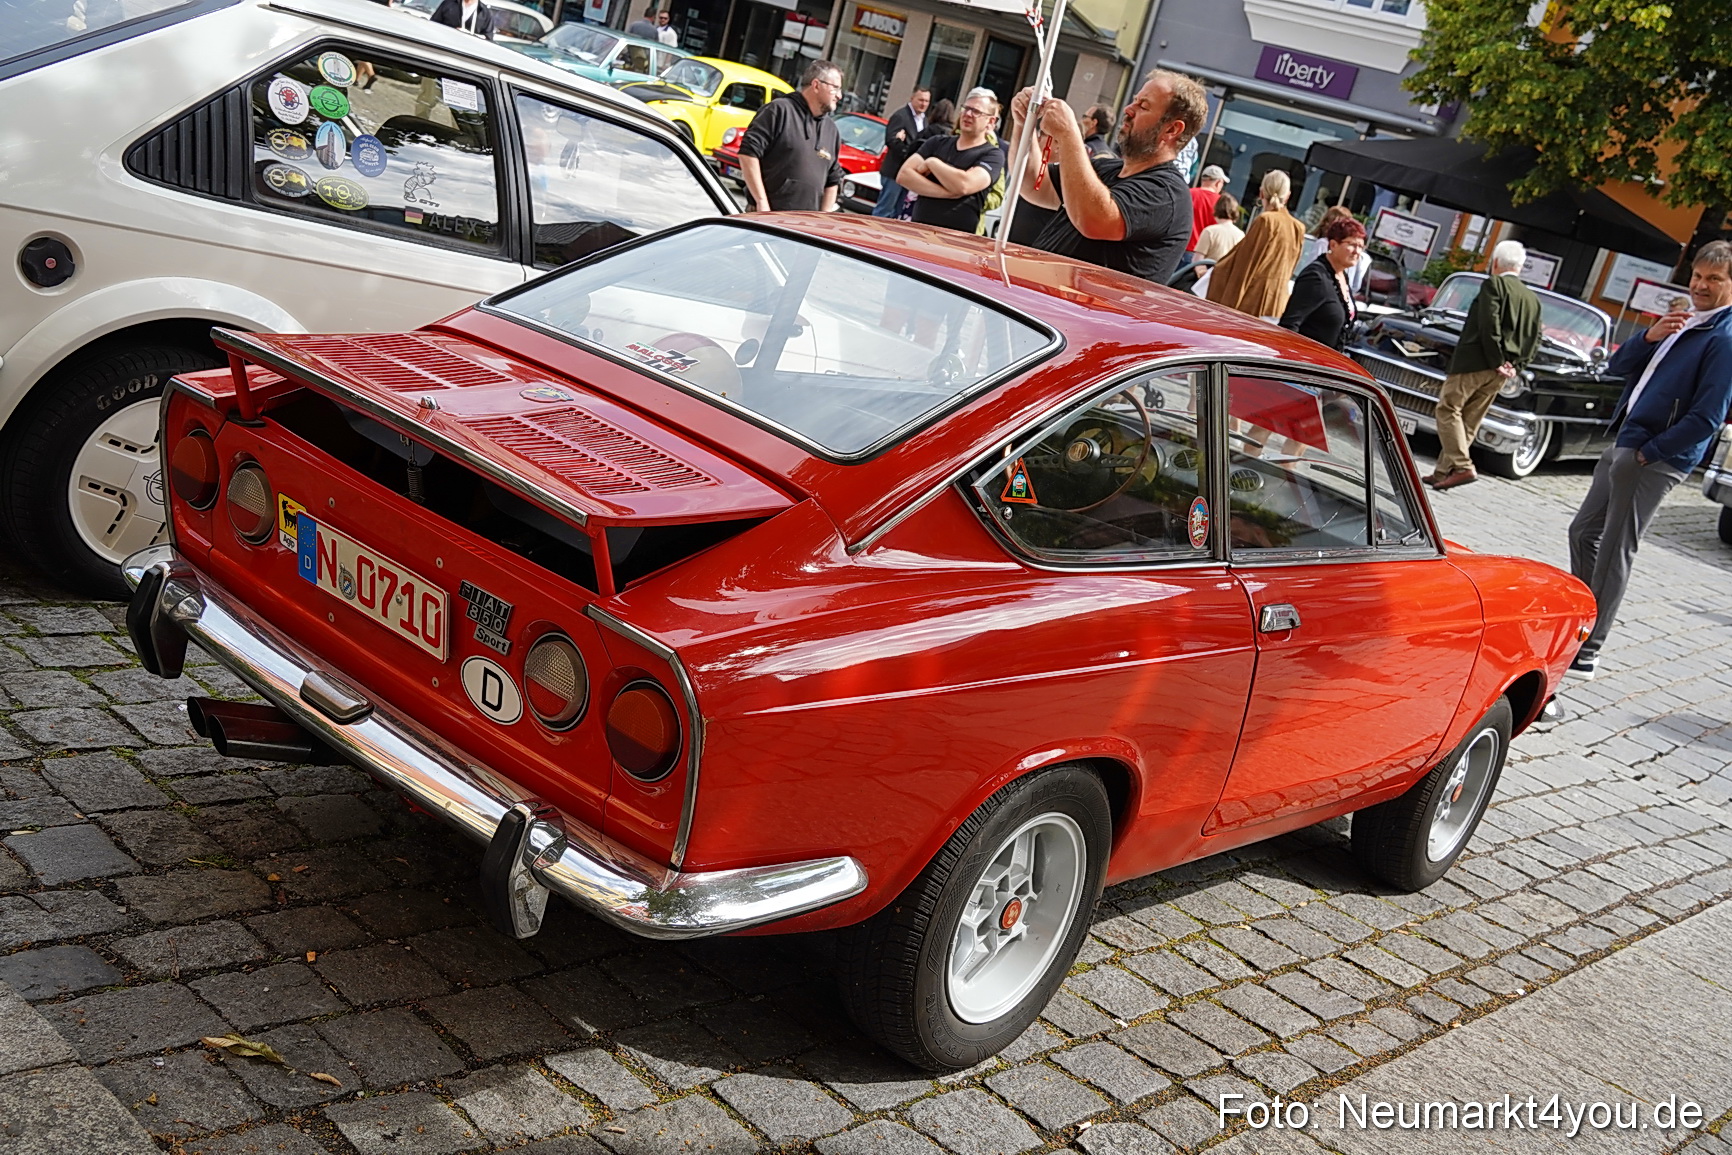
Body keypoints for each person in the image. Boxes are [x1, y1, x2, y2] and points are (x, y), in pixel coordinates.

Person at [1565, 240, 1732, 679]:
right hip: (1627, 441)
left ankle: (1588, 647)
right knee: (1583, 533)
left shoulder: (1724, 338)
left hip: (1655, 455)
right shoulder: (1686, 322)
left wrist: (1648, 453)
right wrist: (1650, 335)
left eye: (1714, 279)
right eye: (1697, 275)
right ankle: (1581, 619)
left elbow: (1708, 418)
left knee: (1616, 549)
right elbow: (1618, 368)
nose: (1701, 285)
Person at [1007, 68, 1203, 284]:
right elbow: (1034, 183)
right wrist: (1024, 124)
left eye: (1143, 106)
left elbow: (1094, 220)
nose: (1129, 109)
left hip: (1078, 316)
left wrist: (1069, 132)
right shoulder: (1106, 168)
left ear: (1172, 129)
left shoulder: (1166, 193)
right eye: (1134, 101)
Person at [1426, 240, 1544, 491]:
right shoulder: (1532, 299)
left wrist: (1496, 359)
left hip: (1476, 361)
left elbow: (1488, 324)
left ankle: (1462, 466)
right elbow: (1536, 339)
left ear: (1496, 263)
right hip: (1502, 372)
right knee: (1470, 419)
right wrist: (1515, 366)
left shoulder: (1494, 284)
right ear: (1520, 268)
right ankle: (1442, 473)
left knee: (1448, 409)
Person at [737, 60, 846, 213]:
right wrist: (761, 202)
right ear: (816, 85)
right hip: (767, 217)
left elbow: (832, 180)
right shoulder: (779, 110)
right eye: (835, 88)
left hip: (803, 225)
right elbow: (748, 154)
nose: (839, 96)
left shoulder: (831, 130)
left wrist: (823, 218)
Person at [896, 87, 1004, 233]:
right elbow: (904, 176)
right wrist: (947, 192)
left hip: (957, 241)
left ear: (991, 122)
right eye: (966, 108)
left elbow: (965, 185)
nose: (968, 114)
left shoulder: (992, 155)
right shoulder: (936, 143)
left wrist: (932, 163)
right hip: (919, 233)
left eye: (976, 112)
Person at [1205, 169, 1305, 319]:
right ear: (1288, 196)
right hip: (1276, 304)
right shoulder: (1298, 227)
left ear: (1261, 193)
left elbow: (1244, 266)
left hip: (1253, 305)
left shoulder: (1266, 220)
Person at [1278, 216, 1366, 351]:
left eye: (1361, 246)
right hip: (1306, 361)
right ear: (1333, 245)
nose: (1357, 252)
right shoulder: (1315, 277)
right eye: (1352, 244)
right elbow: (1289, 325)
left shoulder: (1342, 276)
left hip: (1328, 363)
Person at [873, 87, 930, 218]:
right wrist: (906, 150)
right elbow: (891, 140)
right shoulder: (901, 116)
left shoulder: (924, 120)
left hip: (909, 174)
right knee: (885, 209)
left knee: (898, 212)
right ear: (912, 98)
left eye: (927, 101)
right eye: (921, 100)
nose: (923, 104)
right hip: (894, 171)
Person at [1192, 194, 1242, 261]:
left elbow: (1197, 260)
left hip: (1209, 269)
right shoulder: (1241, 235)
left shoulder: (1210, 231)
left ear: (1216, 209)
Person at [1188, 163, 1226, 251]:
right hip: (1200, 252)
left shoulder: (1188, 193)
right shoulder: (1221, 202)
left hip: (1178, 248)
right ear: (1218, 182)